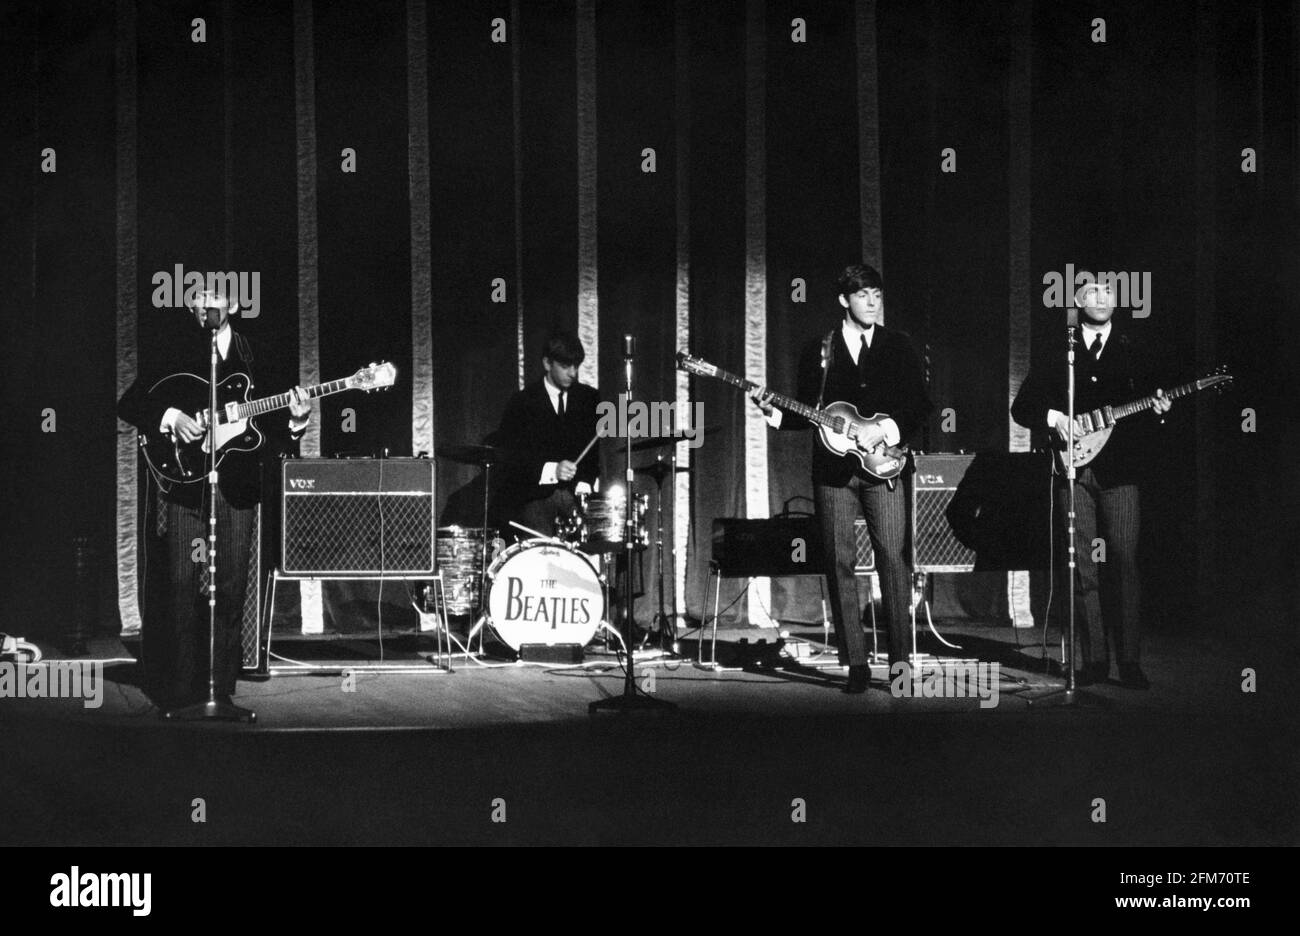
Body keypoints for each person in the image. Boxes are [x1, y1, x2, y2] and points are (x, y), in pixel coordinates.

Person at [118, 287, 312, 710]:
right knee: (184, 584)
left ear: (234, 307)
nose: (203, 306)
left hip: (238, 487)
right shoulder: (176, 353)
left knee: (229, 587)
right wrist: (171, 417)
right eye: (195, 302)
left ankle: (220, 690)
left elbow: (279, 427)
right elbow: (130, 403)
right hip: (186, 484)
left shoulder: (257, 356)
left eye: (213, 299)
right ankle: (183, 689)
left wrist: (297, 421)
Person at [752, 263, 933, 693]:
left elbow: (921, 406)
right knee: (839, 563)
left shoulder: (898, 345)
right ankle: (855, 665)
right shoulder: (819, 349)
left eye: (877, 295)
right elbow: (808, 412)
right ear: (843, 301)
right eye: (863, 295)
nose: (872, 303)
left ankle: (901, 666)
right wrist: (775, 414)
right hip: (833, 472)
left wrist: (884, 431)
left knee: (893, 560)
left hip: (885, 466)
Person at [1011, 277, 1171, 689]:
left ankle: (1130, 662)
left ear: (1118, 302)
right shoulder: (1059, 350)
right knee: (1082, 568)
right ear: (1078, 301)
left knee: (1124, 562)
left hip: (1121, 473)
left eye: (1109, 292)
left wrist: (1160, 409)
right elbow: (1023, 407)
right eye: (1092, 292)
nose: (1101, 299)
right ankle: (1094, 661)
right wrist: (1056, 418)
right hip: (1073, 471)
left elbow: (1155, 407)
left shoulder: (1134, 349)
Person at [489, 330, 600, 539]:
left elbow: (593, 456)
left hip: (576, 494)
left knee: (596, 541)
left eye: (576, 366)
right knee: (543, 554)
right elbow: (511, 458)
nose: (573, 373)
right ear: (547, 364)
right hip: (534, 496)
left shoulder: (590, 399)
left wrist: (585, 483)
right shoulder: (522, 402)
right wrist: (552, 470)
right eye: (565, 366)